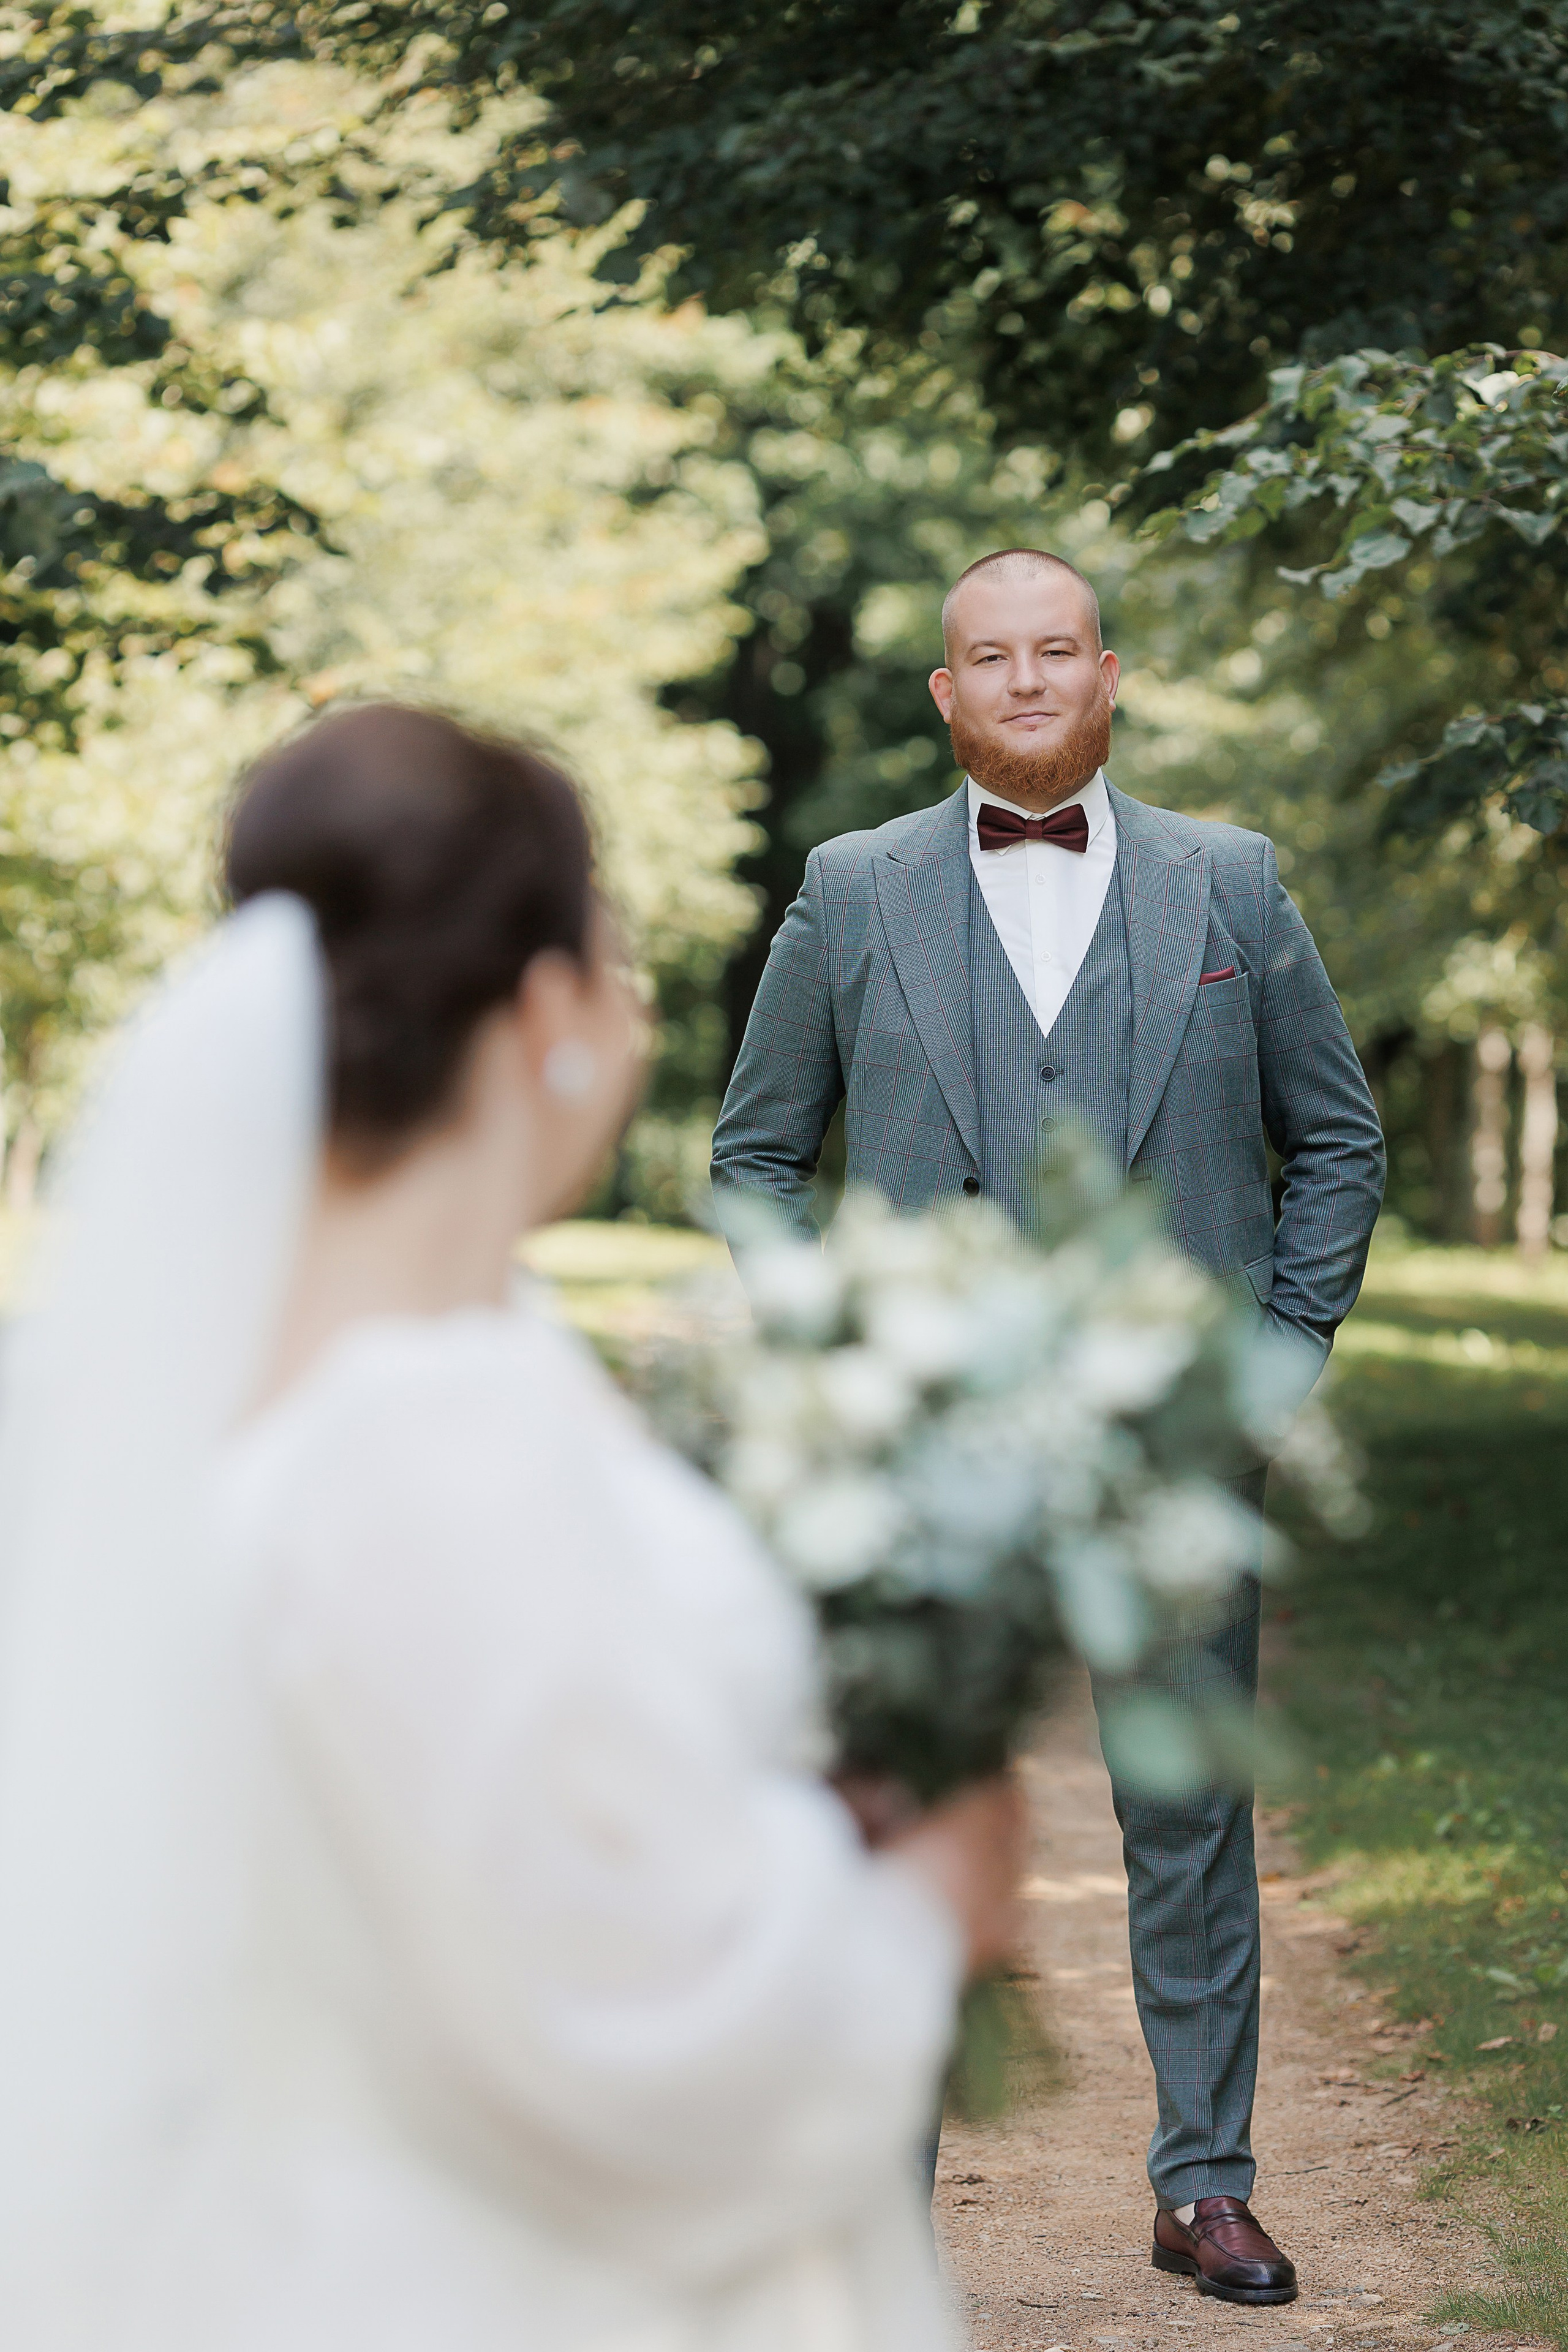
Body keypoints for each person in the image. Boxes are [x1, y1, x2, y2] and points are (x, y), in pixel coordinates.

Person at [0, 703, 1027, 2351]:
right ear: (549, 1006)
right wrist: (917, 1904)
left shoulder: (227, 1385)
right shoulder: (424, 1449)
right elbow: (624, 2025)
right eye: (610, 951)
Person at [710, 550, 1387, 2307]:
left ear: (1108, 674)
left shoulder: (1228, 882)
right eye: (987, 658)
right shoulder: (852, 891)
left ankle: (1206, 2185)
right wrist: (828, 1355)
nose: (1023, 680)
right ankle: (873, 2207)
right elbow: (759, 1159)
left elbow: (1338, 1139)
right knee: (898, 1810)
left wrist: (1279, 1351)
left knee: (1186, 1817)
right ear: (945, 695)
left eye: (1054, 650)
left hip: (1165, 1454)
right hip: (917, 1462)